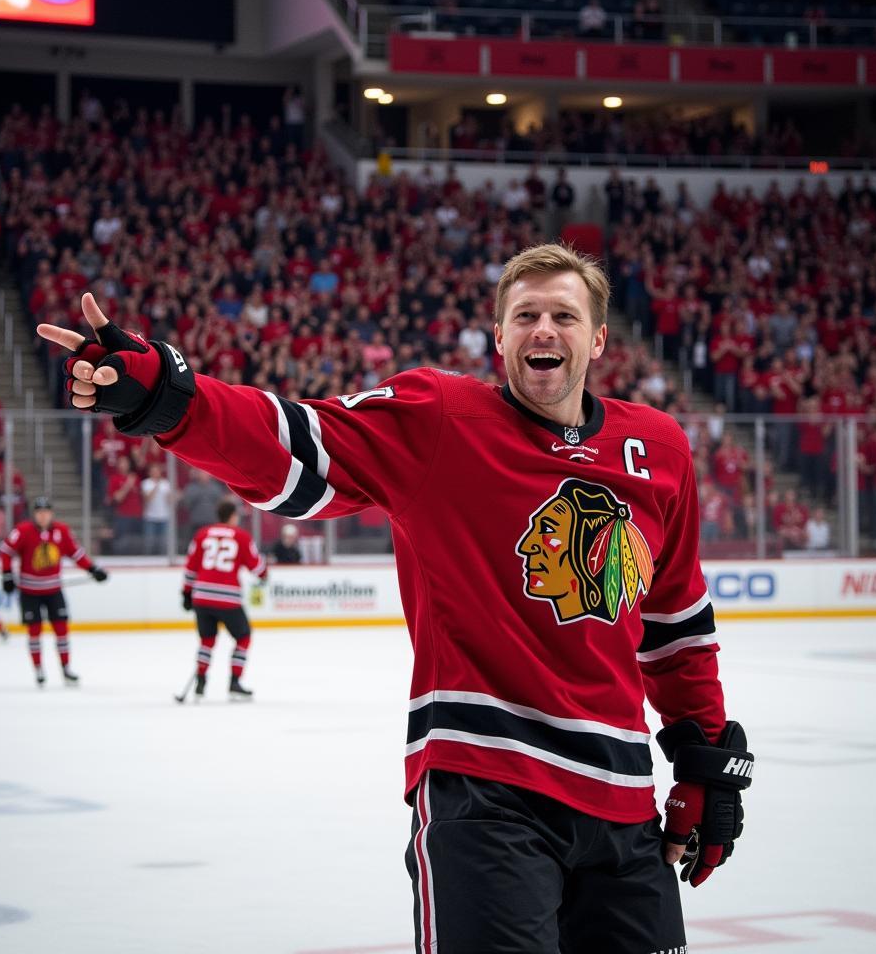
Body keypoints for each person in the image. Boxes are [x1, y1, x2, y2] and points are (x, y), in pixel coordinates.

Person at [40, 244, 754, 953]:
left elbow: (676, 624)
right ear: (497, 334)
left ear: (597, 338)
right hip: (487, 795)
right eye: (526, 314)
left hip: (624, 804)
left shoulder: (659, 447)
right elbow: (293, 444)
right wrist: (167, 394)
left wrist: (705, 761)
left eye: (564, 316)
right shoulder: (441, 418)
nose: (545, 330)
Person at [0, 496, 108, 687]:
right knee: (34, 631)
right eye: (39, 512)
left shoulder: (62, 531)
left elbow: (76, 553)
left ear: (51, 513)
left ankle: (66, 668)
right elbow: (5, 550)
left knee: (61, 630)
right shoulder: (23, 530)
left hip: (53, 590)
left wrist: (92, 569)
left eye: (46, 512)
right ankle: (38, 668)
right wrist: (7, 574)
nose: (42, 516)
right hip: (29, 591)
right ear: (34, 514)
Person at [181, 499, 266, 700]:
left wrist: (186, 593)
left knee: (207, 641)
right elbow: (257, 568)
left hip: (201, 596)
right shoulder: (241, 536)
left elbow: (190, 567)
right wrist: (264, 574)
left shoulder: (202, 534)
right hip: (228, 598)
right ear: (233, 516)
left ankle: (201, 682)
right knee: (243, 637)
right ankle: (234, 683)